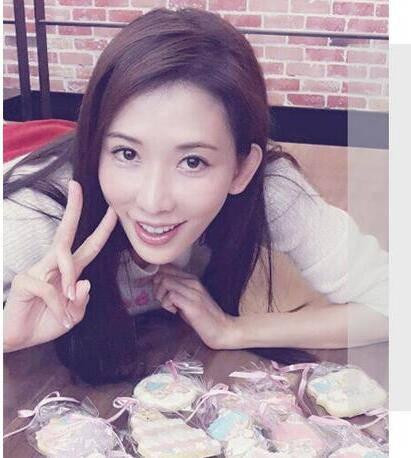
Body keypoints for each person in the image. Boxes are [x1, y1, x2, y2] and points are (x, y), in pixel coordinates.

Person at [3, 7, 388, 385]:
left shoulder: (269, 190)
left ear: (241, 169)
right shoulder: (40, 214)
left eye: (192, 161)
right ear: (96, 146)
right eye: (127, 153)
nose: (153, 201)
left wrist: (233, 330)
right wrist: (7, 336)